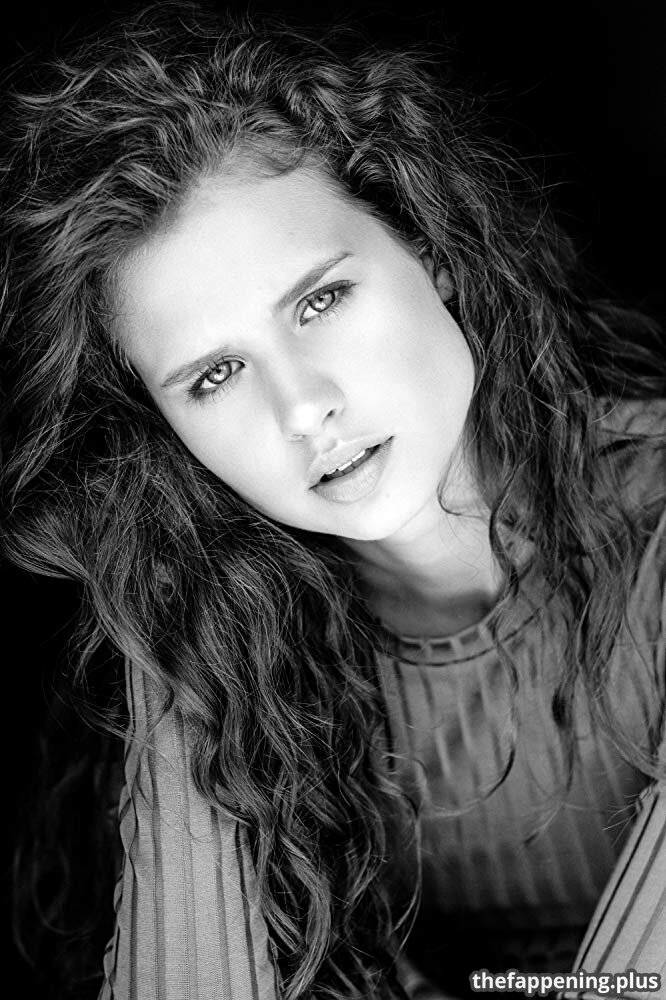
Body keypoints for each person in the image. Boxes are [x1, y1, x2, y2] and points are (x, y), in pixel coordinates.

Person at [1, 3, 665, 998]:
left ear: (433, 249)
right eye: (215, 375)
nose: (303, 405)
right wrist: (168, 623)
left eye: (320, 300)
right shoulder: (222, 637)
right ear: (168, 429)